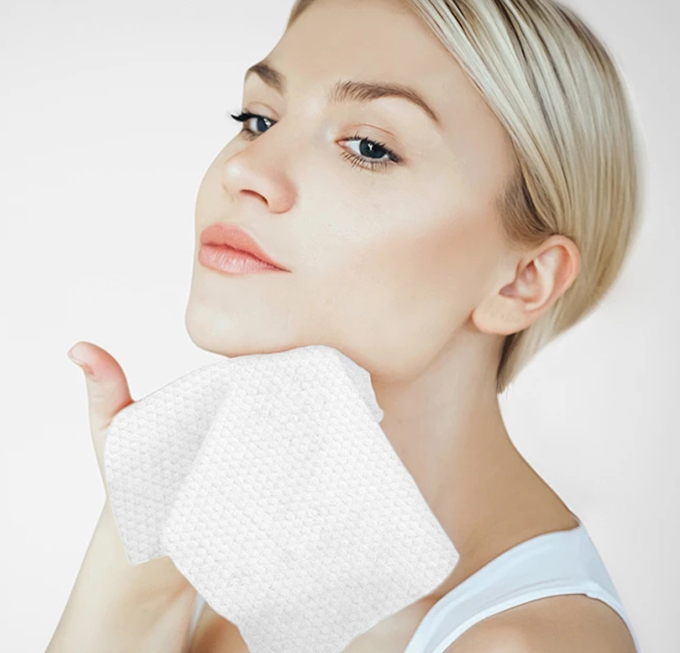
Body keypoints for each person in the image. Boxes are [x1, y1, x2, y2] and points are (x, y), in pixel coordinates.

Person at [48, 0, 643, 651]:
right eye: (258, 119)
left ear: (522, 279)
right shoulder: (223, 536)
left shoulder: (524, 642)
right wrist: (140, 542)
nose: (244, 169)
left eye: (369, 148)